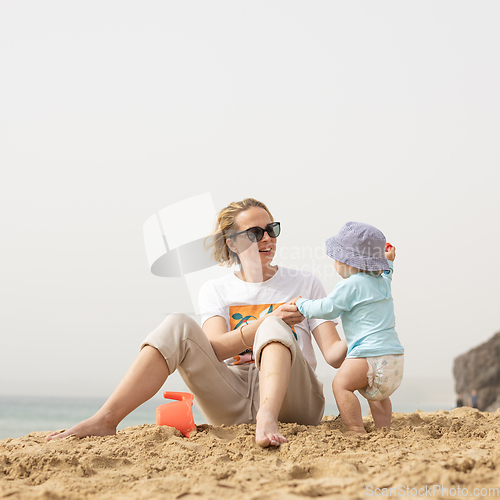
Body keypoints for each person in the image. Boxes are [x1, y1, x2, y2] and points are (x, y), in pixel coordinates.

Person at [46, 198, 347, 447]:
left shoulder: (305, 283)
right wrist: (261, 325)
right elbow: (214, 349)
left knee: (273, 327)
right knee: (178, 324)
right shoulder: (216, 290)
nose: (267, 238)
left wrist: (370, 330)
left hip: (295, 401)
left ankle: (267, 417)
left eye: (272, 229)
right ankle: (105, 419)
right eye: (256, 233)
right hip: (234, 395)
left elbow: (333, 355)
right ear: (232, 241)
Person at [295, 221, 404, 435]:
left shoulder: (350, 285)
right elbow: (387, 274)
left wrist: (302, 304)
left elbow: (327, 308)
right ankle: (384, 429)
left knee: (341, 385)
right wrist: (389, 262)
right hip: (394, 358)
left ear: (346, 262)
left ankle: (355, 428)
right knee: (379, 396)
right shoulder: (382, 282)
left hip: (368, 355)